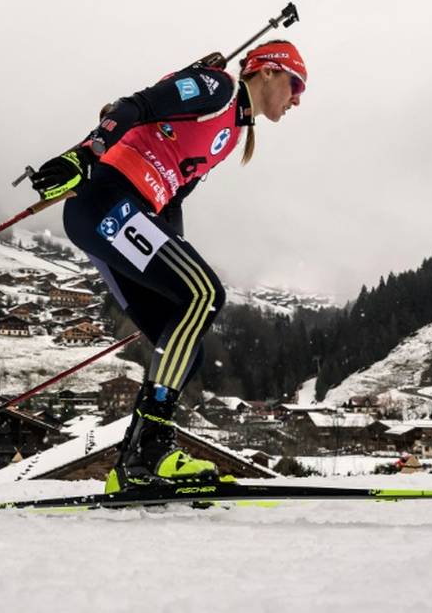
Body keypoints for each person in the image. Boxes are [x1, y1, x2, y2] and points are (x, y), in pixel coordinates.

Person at [30, 40, 306, 491]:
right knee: (204, 293)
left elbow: (173, 196)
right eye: (296, 85)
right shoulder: (218, 88)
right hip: (107, 198)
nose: (297, 100)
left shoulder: (231, 133)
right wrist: (84, 154)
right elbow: (135, 106)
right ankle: (150, 450)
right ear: (269, 71)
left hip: (129, 211)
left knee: (184, 346)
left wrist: (172, 248)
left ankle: (134, 465)